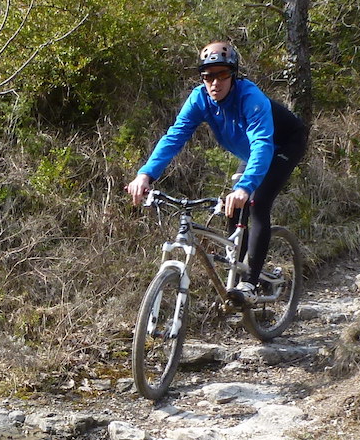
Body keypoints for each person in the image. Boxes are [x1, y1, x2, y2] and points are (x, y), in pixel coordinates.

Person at [125, 41, 309, 306]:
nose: (215, 82)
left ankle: (250, 283)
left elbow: (262, 144)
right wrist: (145, 175)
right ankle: (236, 277)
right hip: (253, 153)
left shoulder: (250, 97)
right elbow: (175, 137)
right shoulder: (200, 99)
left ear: (233, 74)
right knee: (233, 210)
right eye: (208, 76)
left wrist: (245, 187)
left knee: (256, 201)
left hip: (283, 144)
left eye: (222, 74)